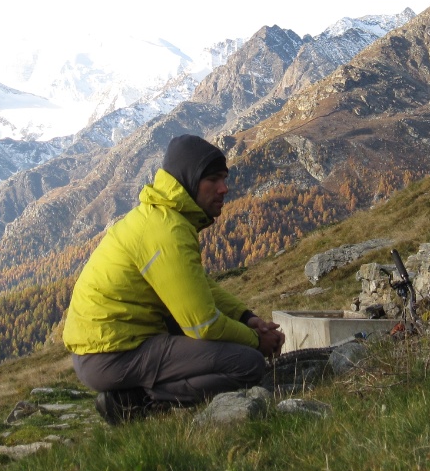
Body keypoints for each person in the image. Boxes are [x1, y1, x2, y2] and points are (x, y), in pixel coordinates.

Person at [63, 134, 285, 424]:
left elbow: (196, 287)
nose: (224, 188)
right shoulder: (168, 232)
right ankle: (134, 401)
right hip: (111, 355)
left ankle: (139, 391)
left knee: (233, 346)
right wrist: (257, 341)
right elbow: (204, 325)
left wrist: (247, 318)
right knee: (247, 364)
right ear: (189, 181)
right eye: (213, 180)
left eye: (224, 178)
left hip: (106, 347)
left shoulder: (163, 217)